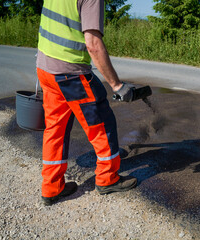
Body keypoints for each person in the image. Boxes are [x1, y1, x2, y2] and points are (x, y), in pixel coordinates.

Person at [36, 0, 137, 206]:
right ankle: (107, 179)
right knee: (101, 124)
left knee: (55, 129)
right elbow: (93, 44)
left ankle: (51, 187)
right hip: (70, 74)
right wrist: (116, 85)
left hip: (45, 68)